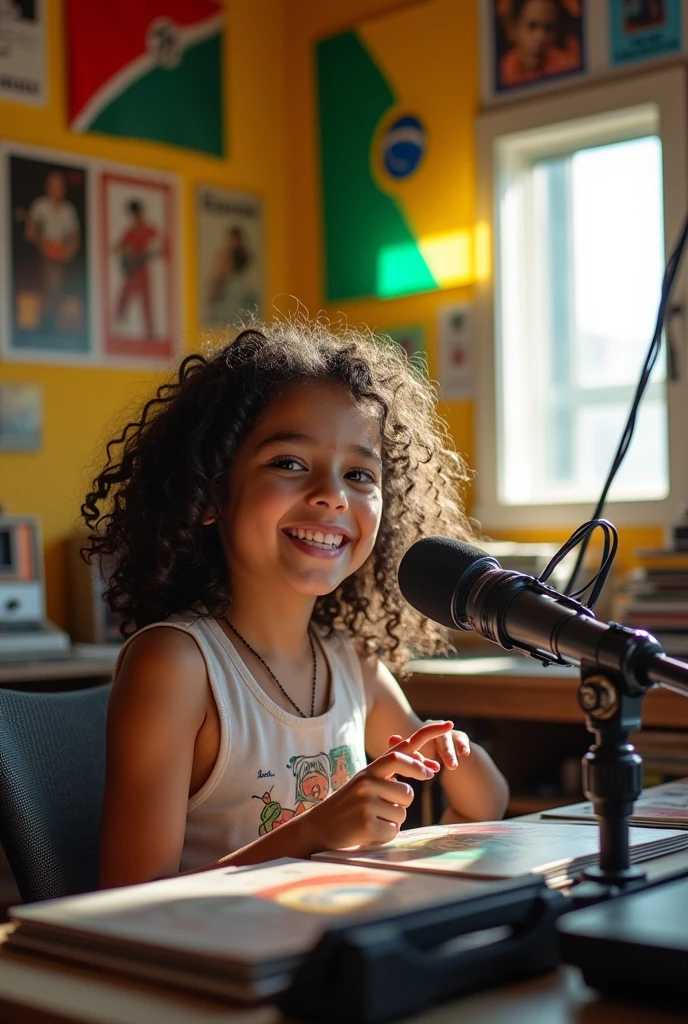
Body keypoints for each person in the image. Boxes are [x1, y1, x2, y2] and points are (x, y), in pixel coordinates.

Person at [82, 318, 509, 889]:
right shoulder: (176, 666)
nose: (332, 494)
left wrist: (451, 750)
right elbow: (128, 896)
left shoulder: (350, 662)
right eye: (289, 463)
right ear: (210, 493)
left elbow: (488, 804)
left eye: (360, 474)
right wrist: (312, 831)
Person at [23, 170, 80, 331]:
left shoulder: (68, 210)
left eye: (59, 185)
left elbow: (75, 238)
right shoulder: (40, 205)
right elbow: (30, 232)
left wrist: (67, 251)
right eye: (53, 184)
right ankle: (43, 321)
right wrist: (43, 245)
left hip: (61, 257)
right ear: (47, 186)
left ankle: (58, 322)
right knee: (45, 287)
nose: (56, 188)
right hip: (41, 255)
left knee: (61, 288)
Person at [499, 0, 581, 89]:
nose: (541, 38)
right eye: (532, 26)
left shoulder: (567, 68)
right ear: (513, 29)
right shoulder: (503, 69)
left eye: (549, 28)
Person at [113, 199, 160, 339]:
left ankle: (149, 331)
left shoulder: (150, 230)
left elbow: (161, 245)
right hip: (132, 272)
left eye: (137, 213)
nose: (136, 217)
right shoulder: (129, 232)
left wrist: (149, 252)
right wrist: (127, 252)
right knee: (123, 297)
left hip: (143, 271)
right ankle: (119, 325)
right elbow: (119, 247)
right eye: (133, 214)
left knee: (146, 301)